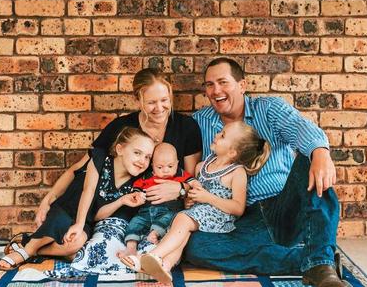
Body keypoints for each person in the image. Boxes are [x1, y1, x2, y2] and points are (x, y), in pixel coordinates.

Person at [185, 58, 344, 287]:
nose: (215, 91)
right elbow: (191, 165)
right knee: (195, 247)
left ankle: (319, 260)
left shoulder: (269, 109)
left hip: (283, 207)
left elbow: (301, 128)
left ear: (242, 85)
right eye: (209, 84)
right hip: (236, 218)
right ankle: (315, 263)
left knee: (312, 161)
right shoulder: (200, 122)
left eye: (223, 82)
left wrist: (320, 152)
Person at [123, 121, 271, 284]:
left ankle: (152, 256)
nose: (216, 135)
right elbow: (192, 194)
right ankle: (165, 268)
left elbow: (238, 208)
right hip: (198, 213)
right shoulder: (202, 166)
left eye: (222, 135)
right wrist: (189, 201)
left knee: (182, 220)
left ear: (232, 152)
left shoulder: (236, 172)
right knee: (182, 234)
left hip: (218, 217)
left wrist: (207, 198)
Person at [0, 127, 155, 273]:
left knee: (75, 244)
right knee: (60, 221)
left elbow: (97, 215)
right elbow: (89, 190)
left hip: (87, 220)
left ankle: (26, 244)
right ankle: (29, 249)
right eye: (137, 153)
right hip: (69, 208)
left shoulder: (135, 184)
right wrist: (78, 223)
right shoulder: (100, 159)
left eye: (148, 157)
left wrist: (121, 201)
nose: (143, 161)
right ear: (120, 149)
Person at [92, 68, 202, 205]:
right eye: (151, 102)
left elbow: (191, 182)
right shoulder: (122, 126)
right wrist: (55, 194)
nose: (160, 108)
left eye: (164, 100)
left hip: (172, 208)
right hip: (126, 208)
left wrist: (181, 190)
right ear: (138, 100)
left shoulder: (186, 126)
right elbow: (87, 165)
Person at [117, 142, 196, 258]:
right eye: (160, 167)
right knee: (135, 223)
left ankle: (154, 234)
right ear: (152, 165)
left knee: (170, 219)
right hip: (145, 212)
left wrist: (195, 184)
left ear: (177, 163)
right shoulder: (147, 177)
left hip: (169, 210)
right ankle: (131, 247)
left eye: (170, 166)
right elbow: (136, 188)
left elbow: (193, 182)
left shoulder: (180, 174)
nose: (165, 170)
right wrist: (137, 194)